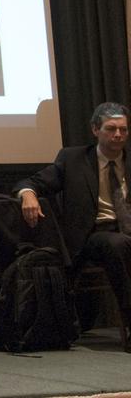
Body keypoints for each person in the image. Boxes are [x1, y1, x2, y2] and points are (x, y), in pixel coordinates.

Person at [16, 101, 131, 351]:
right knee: (118, 244)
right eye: (111, 129)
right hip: (95, 235)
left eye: (123, 129)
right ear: (95, 130)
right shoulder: (74, 159)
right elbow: (32, 182)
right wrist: (28, 194)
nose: (118, 135)